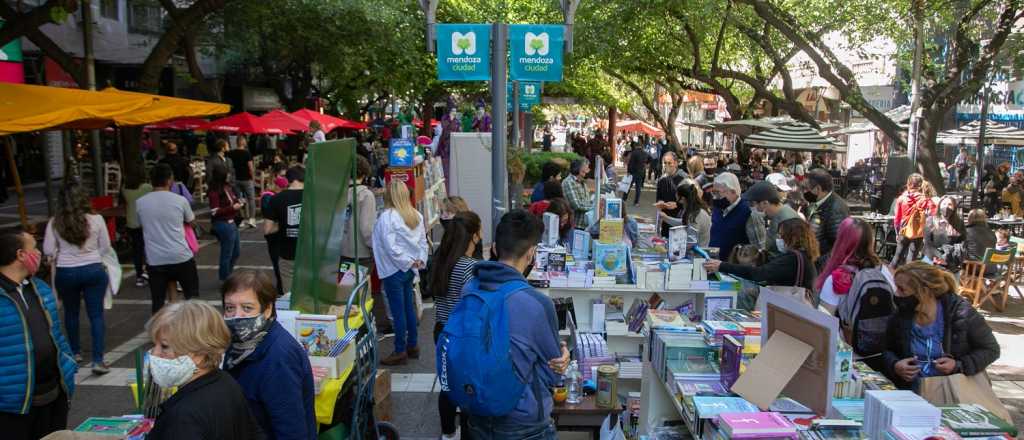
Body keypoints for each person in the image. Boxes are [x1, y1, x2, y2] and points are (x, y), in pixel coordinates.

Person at [464, 210, 569, 440]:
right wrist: (564, 356)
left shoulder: (470, 289)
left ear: (494, 248)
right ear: (531, 253)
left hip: (476, 410)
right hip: (523, 421)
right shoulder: (537, 304)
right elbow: (554, 372)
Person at [144, 301, 263, 440]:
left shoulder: (184, 416)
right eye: (155, 344)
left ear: (199, 353)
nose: (154, 353)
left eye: (164, 346)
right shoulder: (224, 381)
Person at [0, 231, 77, 440]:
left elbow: (57, 335)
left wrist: (68, 364)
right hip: (13, 405)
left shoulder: (39, 288)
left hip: (53, 395)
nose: (39, 253)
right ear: (20, 255)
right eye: (34, 248)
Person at [222, 271, 316, 440]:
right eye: (230, 308)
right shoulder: (241, 344)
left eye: (247, 308)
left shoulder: (279, 359)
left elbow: (291, 430)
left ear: (267, 310)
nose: (237, 316)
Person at [882, 262, 1000, 391]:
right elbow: (886, 349)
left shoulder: (961, 313)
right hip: (910, 391)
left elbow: (991, 350)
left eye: (902, 289)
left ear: (924, 292)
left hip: (951, 392)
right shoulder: (901, 314)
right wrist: (895, 365)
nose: (896, 294)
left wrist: (958, 365)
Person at [43, 186, 111, 373]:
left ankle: (75, 353)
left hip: (66, 271)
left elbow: (48, 250)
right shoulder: (97, 219)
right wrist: (92, 254)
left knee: (71, 313)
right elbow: (105, 247)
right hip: (93, 269)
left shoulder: (55, 222)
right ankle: (98, 360)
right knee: (96, 315)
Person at [428, 211, 482, 440]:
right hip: (464, 333)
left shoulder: (441, 259)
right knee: (468, 385)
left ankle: (448, 433)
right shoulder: (470, 267)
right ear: (474, 236)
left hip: (442, 329)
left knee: (448, 384)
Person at [372, 180, 429, 366]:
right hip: (410, 269)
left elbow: (390, 248)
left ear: (389, 195)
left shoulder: (386, 217)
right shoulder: (416, 215)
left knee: (398, 313)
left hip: (393, 270)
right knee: (408, 309)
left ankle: (399, 350)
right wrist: (418, 261)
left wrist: (407, 262)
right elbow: (423, 242)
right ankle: (412, 345)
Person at [704, 218, 820, 303]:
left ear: (792, 237)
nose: (778, 239)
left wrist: (722, 266)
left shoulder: (792, 259)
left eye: (781, 236)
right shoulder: (803, 257)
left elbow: (758, 274)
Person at [137, 164, 200, 313]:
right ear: (170, 179)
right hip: (181, 256)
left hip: (155, 259)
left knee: (158, 301)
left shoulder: (140, 202)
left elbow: (141, 225)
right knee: (192, 298)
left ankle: (160, 326)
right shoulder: (180, 200)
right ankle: (194, 324)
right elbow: (192, 222)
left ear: (151, 180)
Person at [265, 166, 305, 295]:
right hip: (310, 253)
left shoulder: (276, 199)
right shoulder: (315, 197)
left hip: (288, 252)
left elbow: (268, 230)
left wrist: (283, 224)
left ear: (289, 180)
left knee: (289, 295)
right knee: (308, 293)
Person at [708, 172, 766, 261]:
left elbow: (759, 249)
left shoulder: (749, 213)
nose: (715, 197)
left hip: (735, 267)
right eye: (713, 192)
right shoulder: (718, 209)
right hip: (714, 262)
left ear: (733, 192)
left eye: (718, 193)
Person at [743, 181, 800, 258]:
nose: (753, 208)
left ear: (765, 203)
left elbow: (791, 256)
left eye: (754, 204)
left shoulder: (787, 220)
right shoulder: (777, 215)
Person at [804, 169, 849, 266]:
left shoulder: (835, 209)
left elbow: (839, 246)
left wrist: (819, 265)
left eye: (808, 188)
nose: (806, 192)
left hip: (822, 263)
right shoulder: (819, 202)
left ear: (818, 189)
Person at [208, 166, 243, 281]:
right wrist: (232, 208)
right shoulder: (214, 192)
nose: (229, 176)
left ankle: (228, 275)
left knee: (236, 252)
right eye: (227, 174)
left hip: (231, 223)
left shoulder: (227, 187)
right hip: (223, 224)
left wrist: (239, 202)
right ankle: (225, 278)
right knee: (227, 253)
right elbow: (215, 211)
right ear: (221, 176)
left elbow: (233, 200)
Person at [892, 173, 934, 267]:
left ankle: (889, 274)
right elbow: (932, 215)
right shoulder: (925, 199)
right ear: (921, 185)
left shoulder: (901, 198)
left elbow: (897, 219)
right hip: (918, 232)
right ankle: (909, 275)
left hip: (903, 230)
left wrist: (897, 233)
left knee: (897, 257)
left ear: (908, 184)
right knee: (911, 259)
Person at [123, 175, 153, 288]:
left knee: (137, 250)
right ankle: (149, 272)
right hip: (145, 221)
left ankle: (139, 276)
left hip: (131, 221)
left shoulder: (125, 188)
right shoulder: (147, 187)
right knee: (149, 248)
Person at [662, 180, 712, 247]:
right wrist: (666, 218)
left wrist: (669, 244)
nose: (675, 196)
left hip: (697, 251)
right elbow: (685, 222)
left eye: (677, 194)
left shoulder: (695, 215)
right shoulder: (694, 209)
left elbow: (690, 242)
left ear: (682, 198)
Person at [261, 176, 289, 295]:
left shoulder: (274, 196)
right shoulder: (268, 197)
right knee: (277, 262)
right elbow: (270, 216)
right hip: (273, 235)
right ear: (276, 186)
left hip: (279, 233)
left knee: (280, 263)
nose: (282, 190)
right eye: (281, 188)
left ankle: (281, 287)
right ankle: (281, 289)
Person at [923, 196, 966, 271]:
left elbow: (962, 242)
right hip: (932, 261)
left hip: (951, 262)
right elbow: (927, 244)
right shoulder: (931, 221)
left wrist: (949, 258)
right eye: (944, 204)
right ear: (940, 206)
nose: (946, 207)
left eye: (950, 204)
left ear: (954, 207)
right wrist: (940, 257)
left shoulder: (959, 223)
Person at [655, 152, 688, 237]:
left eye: (669, 163)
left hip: (680, 219)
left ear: (676, 163)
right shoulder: (661, 180)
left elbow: (690, 199)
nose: (667, 165)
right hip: (665, 218)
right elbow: (658, 197)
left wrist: (677, 204)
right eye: (665, 163)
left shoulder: (684, 178)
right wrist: (661, 203)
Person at [227, 136, 258, 228]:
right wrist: (253, 178)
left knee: (239, 199)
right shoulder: (247, 153)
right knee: (251, 199)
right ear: (243, 142)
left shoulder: (231, 153)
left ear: (237, 143)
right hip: (247, 179)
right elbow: (250, 167)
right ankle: (252, 219)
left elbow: (229, 166)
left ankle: (242, 219)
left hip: (236, 179)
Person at [562, 158, 593, 229]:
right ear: (579, 169)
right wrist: (594, 208)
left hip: (584, 225)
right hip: (576, 226)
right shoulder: (568, 182)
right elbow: (577, 205)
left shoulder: (581, 181)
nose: (588, 170)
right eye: (586, 168)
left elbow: (586, 201)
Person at [964, 209, 997, 274]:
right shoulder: (991, 233)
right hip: (991, 269)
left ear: (969, 219)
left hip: (975, 269)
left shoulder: (966, 231)